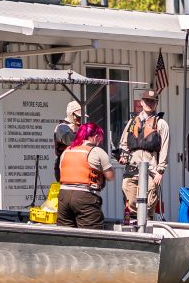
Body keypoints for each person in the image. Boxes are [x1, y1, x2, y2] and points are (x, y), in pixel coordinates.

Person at [119, 89, 170, 217]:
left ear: (156, 103)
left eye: (152, 101)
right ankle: (134, 223)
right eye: (147, 101)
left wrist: (160, 171)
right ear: (141, 102)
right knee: (129, 198)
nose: (149, 104)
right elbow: (124, 143)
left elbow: (164, 148)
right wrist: (124, 157)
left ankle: (147, 224)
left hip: (151, 170)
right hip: (132, 168)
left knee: (148, 204)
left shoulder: (161, 124)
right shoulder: (132, 122)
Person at [56, 122, 112, 229]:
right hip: (85, 196)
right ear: (96, 136)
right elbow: (110, 176)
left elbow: (60, 172)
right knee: (90, 235)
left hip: (63, 196)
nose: (100, 142)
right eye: (100, 138)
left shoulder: (67, 150)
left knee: (65, 234)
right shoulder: (96, 151)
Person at [53, 100, 82, 182]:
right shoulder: (62, 127)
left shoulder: (79, 126)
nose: (80, 119)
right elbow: (70, 140)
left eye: (81, 117)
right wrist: (81, 132)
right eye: (78, 116)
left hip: (78, 165)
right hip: (64, 165)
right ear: (70, 114)